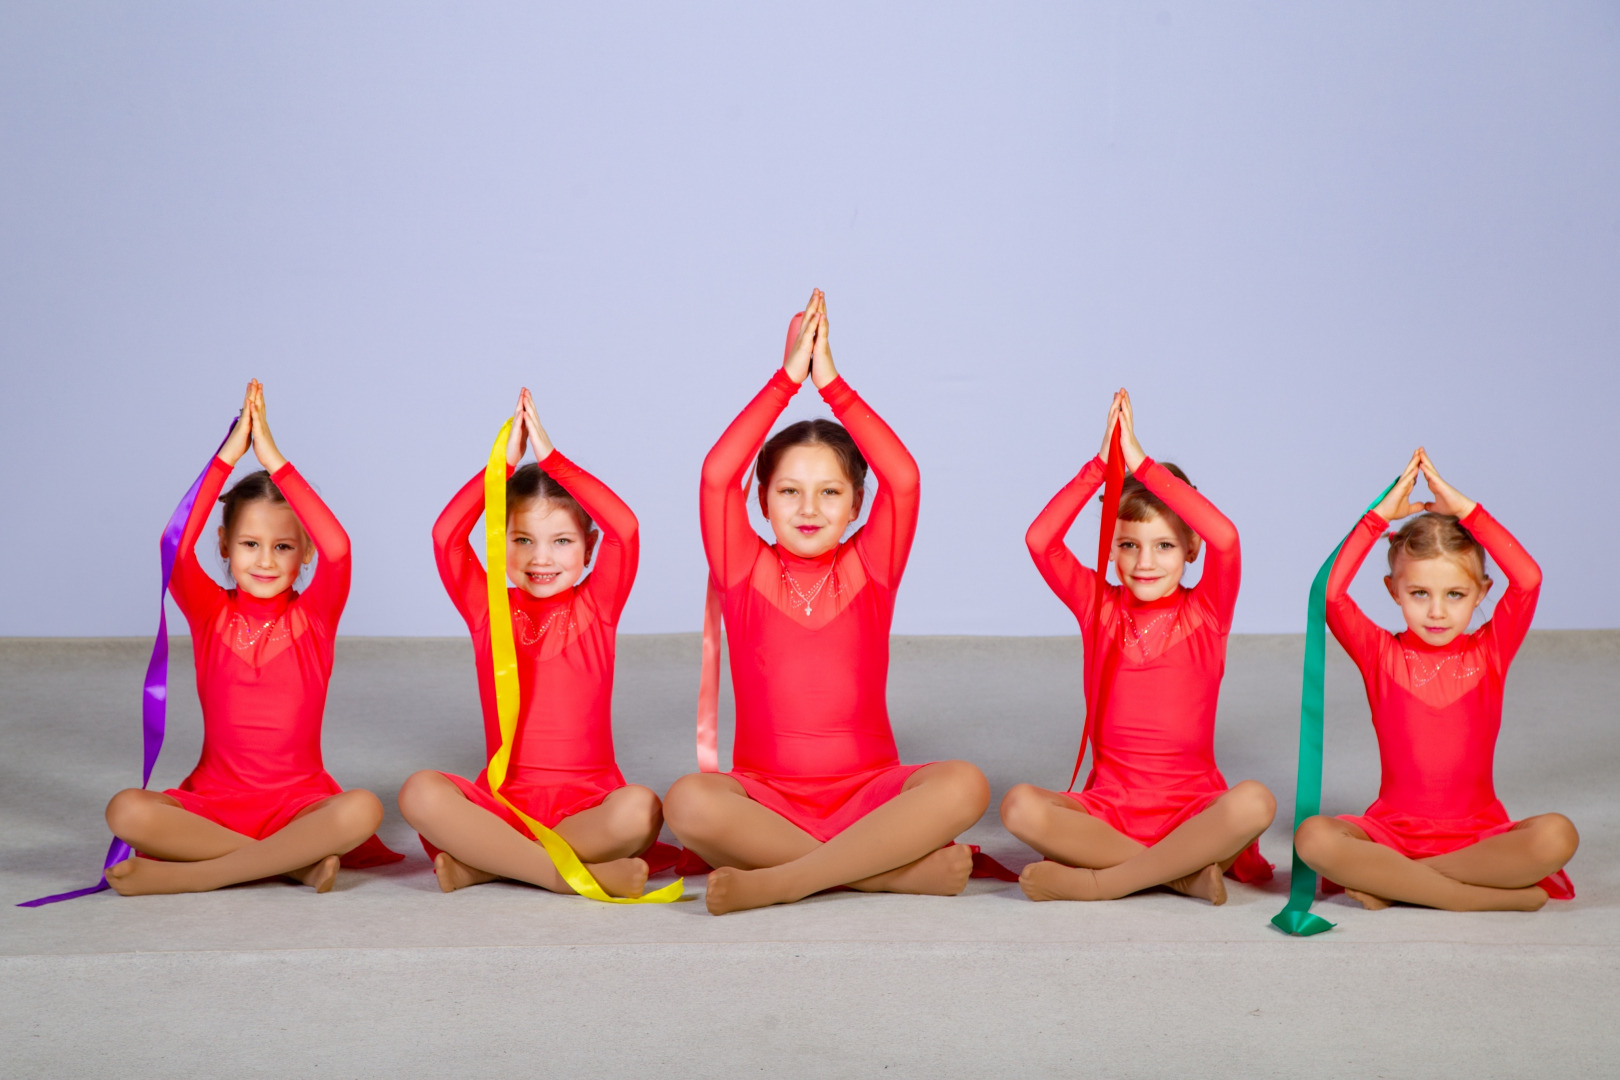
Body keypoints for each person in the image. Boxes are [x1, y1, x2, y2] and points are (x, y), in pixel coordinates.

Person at [664, 289, 990, 915]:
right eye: (789, 491)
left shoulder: (872, 566)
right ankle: (882, 872)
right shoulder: (744, 568)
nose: (809, 509)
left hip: (871, 791)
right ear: (761, 501)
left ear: (856, 505)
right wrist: (786, 381)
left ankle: (783, 879)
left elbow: (905, 477)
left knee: (965, 784)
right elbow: (715, 474)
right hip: (766, 794)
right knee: (686, 801)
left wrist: (833, 384)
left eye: (829, 493)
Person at [104, 380, 399, 895]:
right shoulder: (209, 611)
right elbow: (171, 544)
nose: (265, 560)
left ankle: (198, 874)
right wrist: (228, 455)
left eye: (283, 546)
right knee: (125, 809)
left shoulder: (315, 617)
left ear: (303, 552)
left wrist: (275, 459)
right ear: (223, 543)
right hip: (214, 802)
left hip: (299, 804)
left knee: (364, 809)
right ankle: (292, 865)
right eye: (249, 543)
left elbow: (339, 549)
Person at [1004, 389, 1275, 904]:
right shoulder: (1098, 606)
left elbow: (1227, 538)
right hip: (1111, 806)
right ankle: (1180, 872)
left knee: (1255, 802)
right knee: (1018, 806)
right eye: (1129, 545)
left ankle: (1105, 880)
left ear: (1191, 548)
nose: (1145, 562)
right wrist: (1101, 466)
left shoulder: (1207, 611)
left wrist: (1144, 466)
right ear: (1111, 546)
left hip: (1192, 807)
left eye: (1165, 545)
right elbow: (1041, 540)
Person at [398, 389, 660, 899]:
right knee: (419, 792)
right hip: (505, 800)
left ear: (588, 548)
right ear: (501, 543)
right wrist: (503, 465)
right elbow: (446, 535)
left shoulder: (598, 606)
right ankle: (560, 875)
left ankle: (488, 865)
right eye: (522, 540)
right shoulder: (488, 606)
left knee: (642, 809)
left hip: (589, 802)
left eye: (562, 541)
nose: (541, 558)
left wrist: (553, 460)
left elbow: (624, 528)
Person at [1292, 448, 1577, 911]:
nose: (1438, 611)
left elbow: (1527, 579)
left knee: (1557, 834)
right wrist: (1376, 519)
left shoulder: (1490, 651)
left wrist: (1467, 510)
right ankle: (1483, 898)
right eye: (1420, 593)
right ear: (1393, 590)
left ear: (1482, 591)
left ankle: (1400, 885)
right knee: (1313, 837)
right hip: (1393, 834)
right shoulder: (1381, 653)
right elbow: (1329, 592)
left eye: (1456, 594)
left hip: (1477, 836)